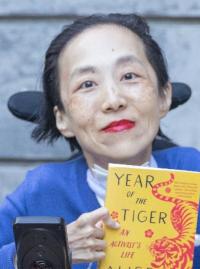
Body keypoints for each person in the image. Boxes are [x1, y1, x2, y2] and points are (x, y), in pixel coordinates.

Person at [0, 13, 199, 269]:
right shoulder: (40, 191)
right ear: (62, 119)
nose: (113, 100)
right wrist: (46, 251)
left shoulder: (194, 169)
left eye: (129, 76)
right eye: (87, 84)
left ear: (164, 97)